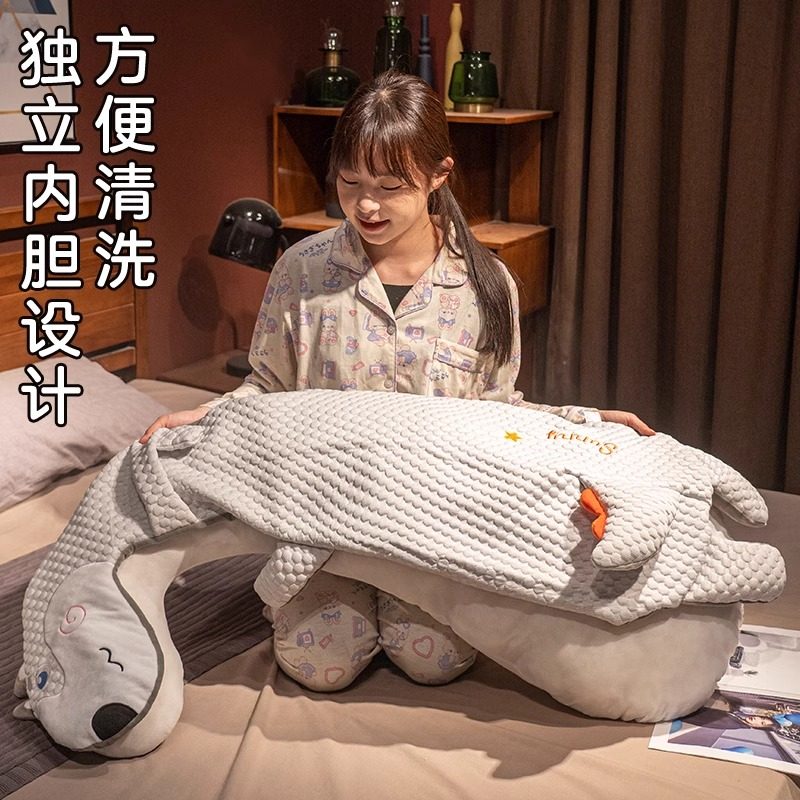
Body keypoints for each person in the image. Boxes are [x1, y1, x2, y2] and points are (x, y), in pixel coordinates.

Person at [140, 71, 654, 692]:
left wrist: (585, 428)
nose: (366, 206)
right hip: (324, 516)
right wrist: (210, 417)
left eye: (390, 187)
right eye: (350, 182)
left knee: (436, 660)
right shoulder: (301, 271)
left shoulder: (487, 285)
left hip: (432, 526)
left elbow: (497, 414)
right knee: (320, 666)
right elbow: (267, 389)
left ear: (439, 175)